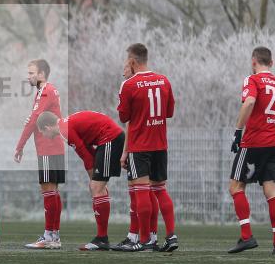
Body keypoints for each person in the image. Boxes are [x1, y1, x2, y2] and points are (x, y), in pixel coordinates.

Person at [227, 47, 275, 256]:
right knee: (272, 192)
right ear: (271, 63)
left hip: (254, 142)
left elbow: (250, 101)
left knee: (236, 187)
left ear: (253, 61)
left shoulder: (252, 80)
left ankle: (247, 236)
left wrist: (238, 130)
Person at [114, 43, 178, 252]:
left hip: (140, 145)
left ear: (132, 61)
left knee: (140, 191)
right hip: (160, 143)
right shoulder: (164, 80)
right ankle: (171, 235)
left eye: (126, 61)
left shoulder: (129, 84)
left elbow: (124, 116)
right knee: (160, 190)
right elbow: (169, 112)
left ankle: (144, 240)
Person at [36, 110, 124, 251]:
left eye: (42, 133)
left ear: (46, 127)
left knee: (96, 187)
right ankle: (102, 238)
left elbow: (84, 154)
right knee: (96, 187)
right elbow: (88, 150)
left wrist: (93, 178)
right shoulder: (65, 125)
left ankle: (102, 239)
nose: (43, 136)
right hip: (109, 138)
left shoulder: (64, 130)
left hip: (110, 138)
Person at [14, 59, 66, 250]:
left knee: (48, 190)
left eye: (31, 73)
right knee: (53, 191)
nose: (28, 76)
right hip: (54, 147)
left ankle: (49, 236)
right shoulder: (47, 91)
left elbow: (34, 119)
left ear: (42, 74)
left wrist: (19, 146)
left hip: (48, 147)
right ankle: (54, 235)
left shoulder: (46, 91)